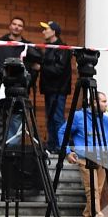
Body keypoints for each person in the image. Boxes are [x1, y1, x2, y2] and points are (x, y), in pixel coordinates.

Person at [61, 89, 108, 217]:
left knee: (98, 191)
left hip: (103, 160)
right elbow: (63, 132)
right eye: (103, 101)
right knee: (93, 190)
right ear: (94, 103)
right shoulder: (79, 116)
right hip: (85, 159)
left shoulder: (107, 120)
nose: (106, 104)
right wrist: (67, 152)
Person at [27, 21, 72, 151]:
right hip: (49, 89)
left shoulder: (62, 48)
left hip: (58, 89)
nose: (43, 32)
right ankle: (53, 146)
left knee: (57, 118)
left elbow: (59, 69)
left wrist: (41, 67)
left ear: (54, 32)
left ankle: (61, 148)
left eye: (46, 29)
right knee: (50, 118)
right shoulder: (48, 48)